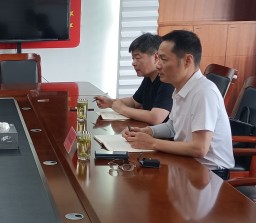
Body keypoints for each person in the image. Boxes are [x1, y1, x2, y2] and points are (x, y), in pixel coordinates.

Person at [123, 30, 234, 174]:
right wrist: (148, 131)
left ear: (187, 60)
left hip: (209, 172)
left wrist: (152, 143)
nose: (158, 65)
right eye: (158, 59)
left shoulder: (204, 92)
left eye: (163, 59)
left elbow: (199, 148)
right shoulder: (180, 88)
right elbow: (173, 127)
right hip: (185, 162)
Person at [94, 32, 173, 124]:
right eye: (133, 58)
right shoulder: (149, 77)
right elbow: (134, 102)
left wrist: (122, 109)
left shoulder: (167, 80)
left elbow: (156, 117)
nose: (133, 63)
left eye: (137, 58)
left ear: (156, 57)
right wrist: (111, 103)